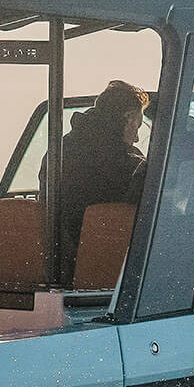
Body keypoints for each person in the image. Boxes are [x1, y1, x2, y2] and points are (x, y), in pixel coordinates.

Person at [49, 80, 148, 275]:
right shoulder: (128, 163)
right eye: (137, 126)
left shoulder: (58, 151)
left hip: (62, 264)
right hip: (107, 268)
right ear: (128, 118)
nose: (136, 138)